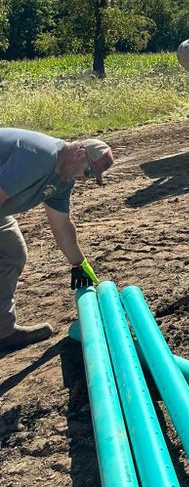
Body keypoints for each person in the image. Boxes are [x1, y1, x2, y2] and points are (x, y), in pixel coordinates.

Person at [0, 128, 114, 355]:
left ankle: (3, 332)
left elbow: (61, 225)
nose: (84, 179)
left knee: (12, 253)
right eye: (89, 173)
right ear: (80, 154)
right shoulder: (39, 156)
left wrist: (79, 265)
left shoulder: (63, 181)